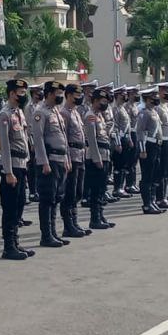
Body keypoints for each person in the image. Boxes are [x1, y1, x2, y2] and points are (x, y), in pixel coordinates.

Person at [0, 79, 33, 260]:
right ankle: (8, 246)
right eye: (21, 92)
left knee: (18, 206)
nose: (23, 96)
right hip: (12, 168)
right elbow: (5, 146)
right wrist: (8, 172)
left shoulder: (19, 113)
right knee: (10, 208)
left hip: (21, 165)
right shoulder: (5, 114)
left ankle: (15, 242)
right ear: (11, 94)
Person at [29, 82, 70, 247]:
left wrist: (66, 158)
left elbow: (63, 137)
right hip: (49, 161)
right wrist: (44, 162)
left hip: (60, 160)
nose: (60, 95)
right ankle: (46, 235)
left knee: (56, 198)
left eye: (61, 92)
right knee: (47, 199)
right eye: (58, 92)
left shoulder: (57, 112)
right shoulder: (40, 113)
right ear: (49, 94)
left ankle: (53, 232)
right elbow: (37, 139)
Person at [82, 86, 115, 229]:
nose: (104, 103)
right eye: (102, 100)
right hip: (96, 157)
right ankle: (94, 219)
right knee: (96, 189)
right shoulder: (90, 115)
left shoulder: (100, 115)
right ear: (94, 101)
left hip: (104, 154)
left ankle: (101, 216)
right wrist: (97, 158)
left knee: (102, 189)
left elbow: (104, 135)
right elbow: (92, 139)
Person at [60, 84, 90, 238]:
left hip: (80, 154)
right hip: (71, 155)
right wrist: (66, 157)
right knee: (70, 192)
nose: (79, 98)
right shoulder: (64, 113)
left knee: (78, 191)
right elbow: (63, 137)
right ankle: (68, 225)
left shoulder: (76, 112)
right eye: (77, 95)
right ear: (69, 95)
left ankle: (75, 222)